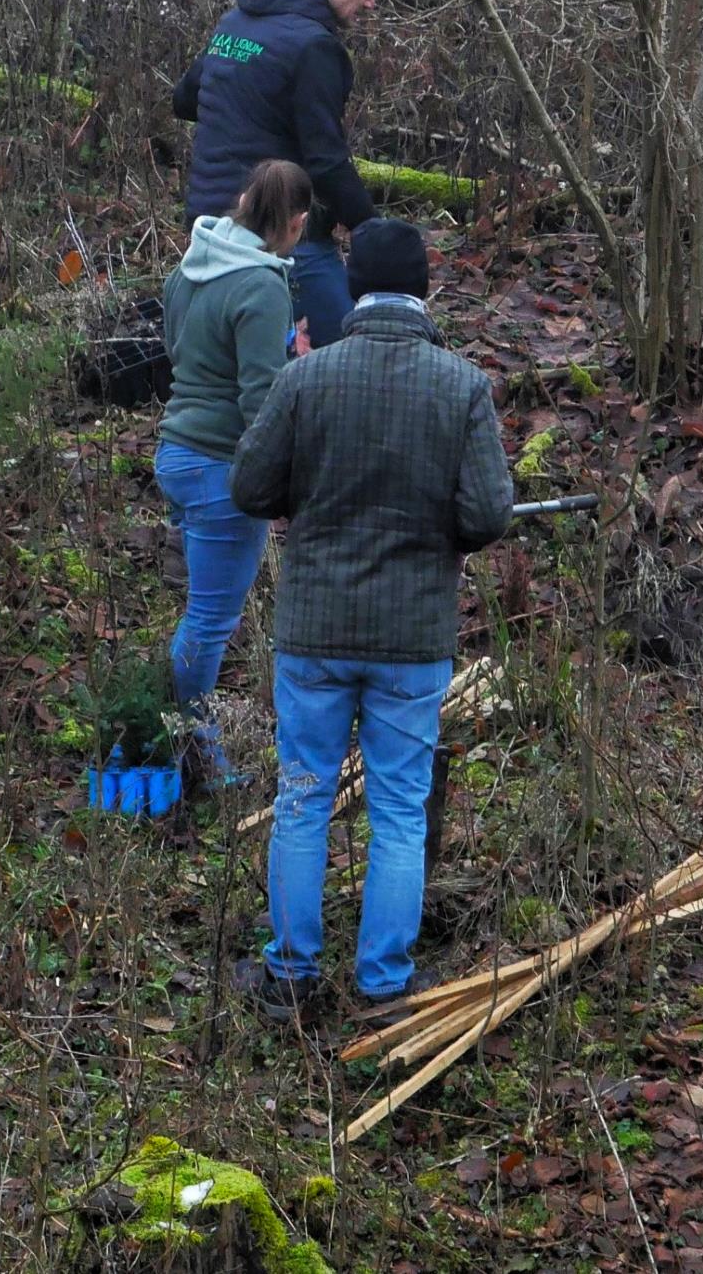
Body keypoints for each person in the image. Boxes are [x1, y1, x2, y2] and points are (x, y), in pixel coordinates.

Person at [229, 219, 512, 1021]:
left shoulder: (307, 381)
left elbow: (251, 487)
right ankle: (384, 985)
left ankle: (289, 976)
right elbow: (490, 512)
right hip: (411, 637)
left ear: (354, 286)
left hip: (314, 628)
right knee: (396, 808)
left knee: (303, 797)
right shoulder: (461, 385)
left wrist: (308, 500)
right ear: (425, 289)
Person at [155, 160, 311, 771]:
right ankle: (195, 753)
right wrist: (288, 480)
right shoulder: (262, 285)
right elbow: (261, 401)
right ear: (294, 224)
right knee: (211, 621)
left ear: (243, 201)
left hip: (175, 452)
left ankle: (182, 733)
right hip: (221, 467)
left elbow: (175, 354)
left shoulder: (190, 265)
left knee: (200, 609)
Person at [173, 0, 389, 349]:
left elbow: (185, 99)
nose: (372, 4)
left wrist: (246, 108)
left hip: (207, 230)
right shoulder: (314, 46)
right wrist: (372, 231)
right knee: (351, 348)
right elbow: (326, 159)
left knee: (246, 362)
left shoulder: (235, 23)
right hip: (281, 234)